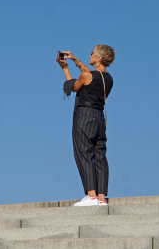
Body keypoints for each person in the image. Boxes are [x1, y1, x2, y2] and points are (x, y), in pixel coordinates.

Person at [56, 44, 115, 206]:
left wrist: (65, 69)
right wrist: (75, 59)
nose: (89, 56)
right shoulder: (109, 78)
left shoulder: (86, 75)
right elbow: (90, 72)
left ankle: (91, 195)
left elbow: (72, 87)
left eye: (91, 54)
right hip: (99, 118)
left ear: (98, 58)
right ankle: (102, 198)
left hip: (84, 116)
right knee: (100, 156)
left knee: (84, 153)